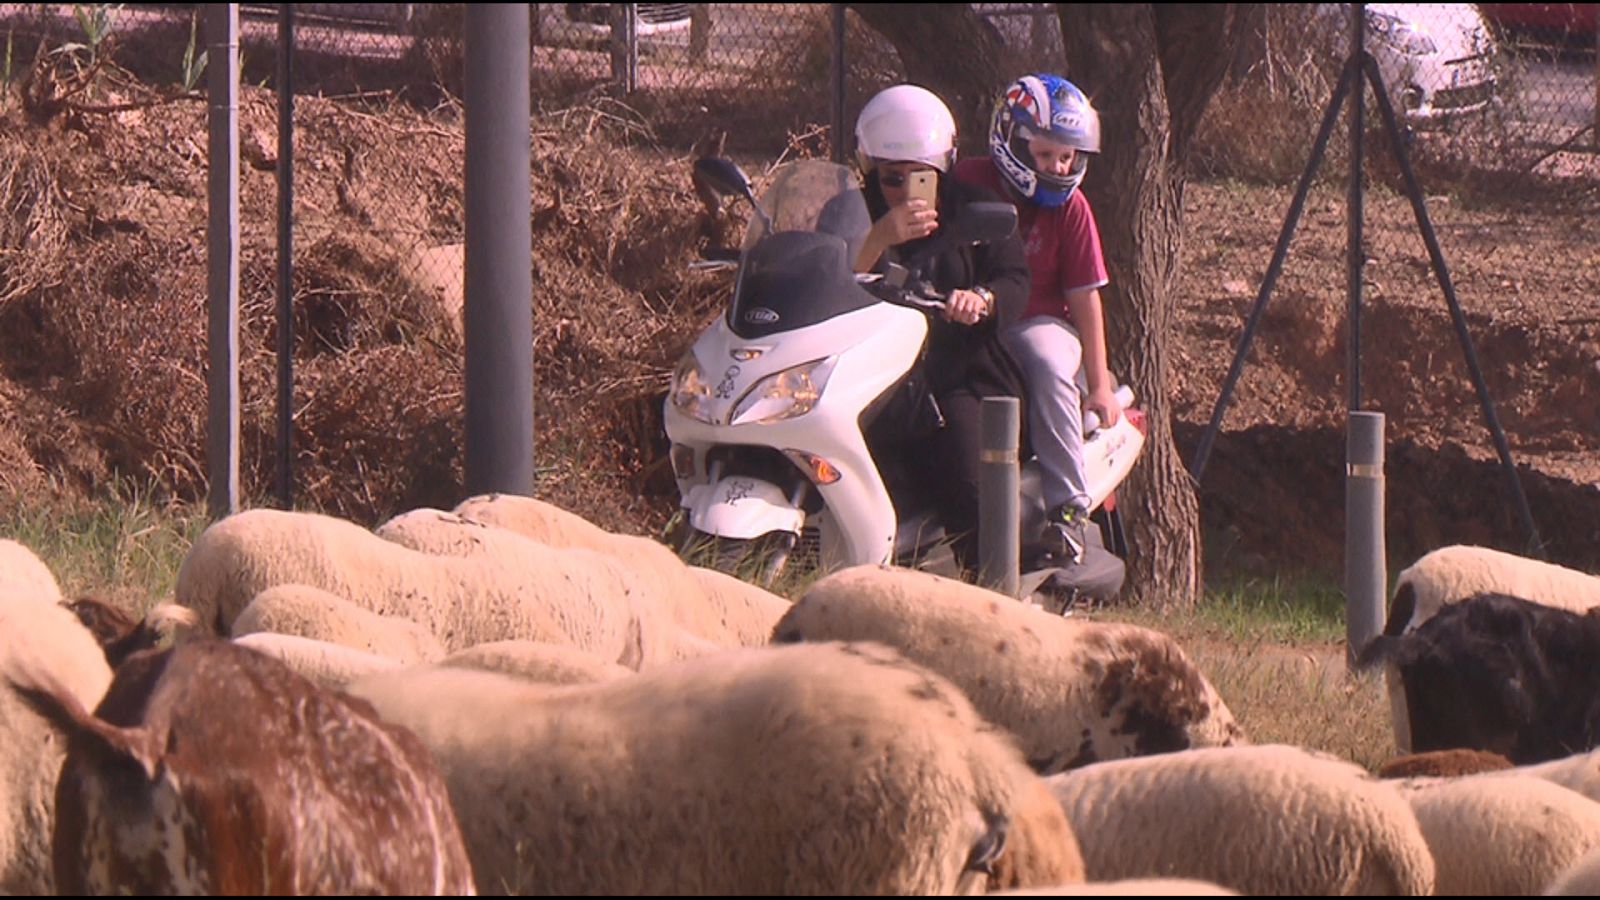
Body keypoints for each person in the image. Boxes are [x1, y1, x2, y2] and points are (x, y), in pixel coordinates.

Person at [852, 83, 1031, 572]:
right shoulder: (852, 212)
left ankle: (992, 587)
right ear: (868, 168)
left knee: (969, 485)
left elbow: (1015, 279)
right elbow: (829, 273)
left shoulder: (972, 209)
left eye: (921, 176)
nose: (904, 190)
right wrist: (878, 238)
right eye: (891, 177)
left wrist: (982, 300)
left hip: (953, 372)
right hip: (869, 372)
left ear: (943, 168)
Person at [953, 73, 1122, 568]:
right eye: (1046, 155)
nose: (1059, 167)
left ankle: (1069, 510)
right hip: (967, 318)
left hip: (1038, 321)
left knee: (1048, 364)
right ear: (1011, 139)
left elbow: (1086, 299)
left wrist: (1099, 385)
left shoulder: (1072, 209)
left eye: (1067, 157)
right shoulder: (968, 182)